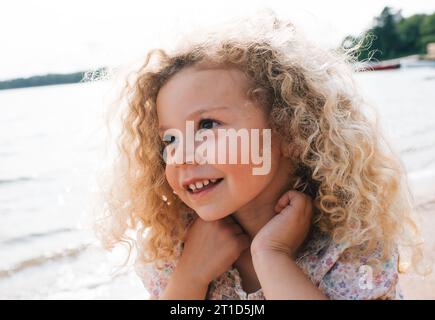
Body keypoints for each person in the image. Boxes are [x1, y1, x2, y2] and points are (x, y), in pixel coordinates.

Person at [95, 11, 420, 300]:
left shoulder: (349, 246)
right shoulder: (178, 250)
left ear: (290, 131)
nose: (180, 156)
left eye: (206, 125)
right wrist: (190, 278)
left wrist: (272, 256)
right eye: (169, 139)